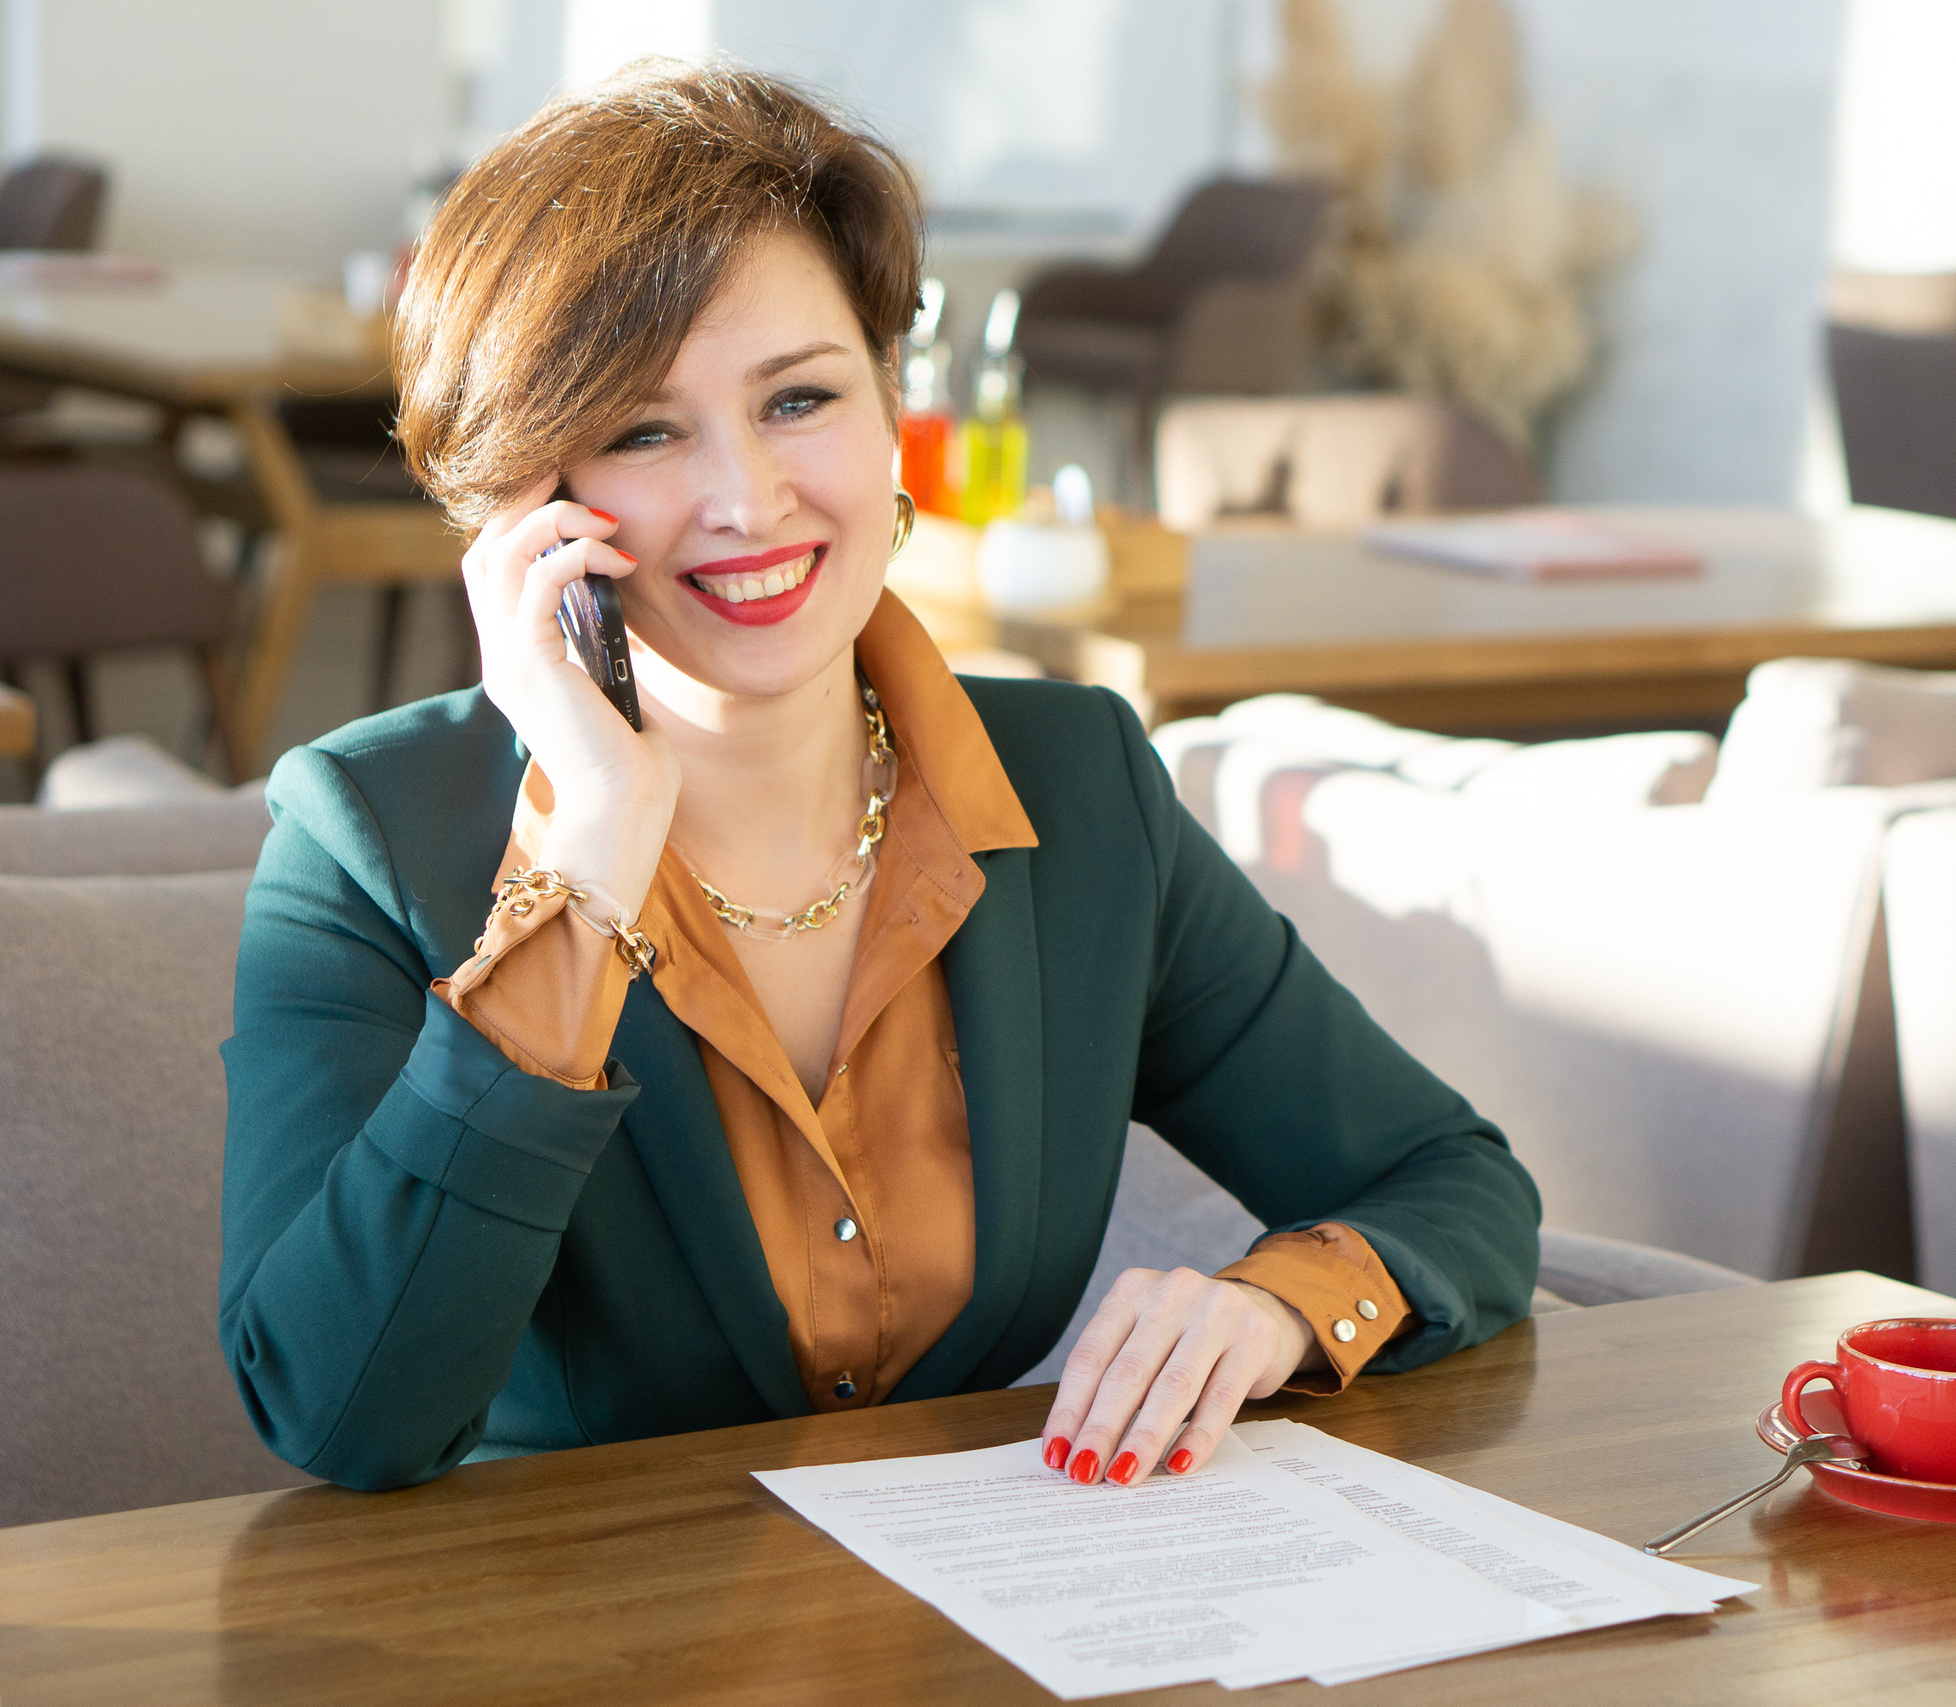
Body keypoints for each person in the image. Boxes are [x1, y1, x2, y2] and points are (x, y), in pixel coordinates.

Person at [218, 61, 1539, 1493]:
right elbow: (344, 1414)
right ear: (530, 499)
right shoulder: (369, 841)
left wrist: (1279, 1303)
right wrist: (586, 858)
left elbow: (1452, 1183)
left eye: (799, 399)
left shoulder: (1078, 787)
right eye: (645, 432)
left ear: (888, 402)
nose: (748, 498)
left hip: (980, 1616)